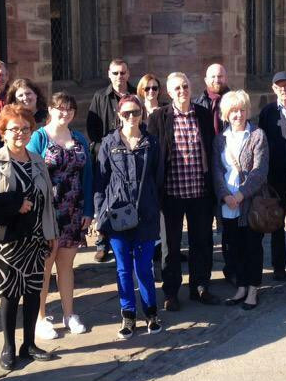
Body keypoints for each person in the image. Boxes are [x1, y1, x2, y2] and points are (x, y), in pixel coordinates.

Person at [0, 105, 59, 370]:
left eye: (25, 129)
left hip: (35, 237)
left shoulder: (37, 160)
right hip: (7, 240)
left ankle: (30, 344)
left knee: (34, 292)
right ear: (3, 132)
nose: (20, 133)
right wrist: (15, 205)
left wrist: (51, 233)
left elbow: (47, 202)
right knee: (10, 295)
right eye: (14, 129)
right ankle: (8, 346)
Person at [147, 72, 220, 310]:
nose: (182, 91)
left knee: (202, 242)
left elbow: (211, 148)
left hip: (200, 191)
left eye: (185, 86)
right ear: (169, 92)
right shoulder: (160, 117)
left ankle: (200, 286)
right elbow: (153, 155)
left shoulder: (202, 114)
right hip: (171, 194)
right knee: (171, 247)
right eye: (177, 88)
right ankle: (171, 292)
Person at [94, 95, 164, 338]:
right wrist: (99, 213)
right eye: (126, 113)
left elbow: (159, 176)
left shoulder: (151, 143)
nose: (131, 117)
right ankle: (128, 314)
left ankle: (151, 311)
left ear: (142, 114)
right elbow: (100, 181)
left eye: (135, 112)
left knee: (144, 267)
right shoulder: (109, 143)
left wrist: (156, 206)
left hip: (146, 214)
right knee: (123, 269)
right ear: (119, 115)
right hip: (117, 215)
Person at [26, 92, 93, 339]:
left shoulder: (79, 139)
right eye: (60, 108)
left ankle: (69, 314)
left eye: (69, 109)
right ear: (51, 110)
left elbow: (88, 176)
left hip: (73, 211)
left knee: (66, 265)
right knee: (44, 266)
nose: (64, 113)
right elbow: (29, 173)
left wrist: (88, 210)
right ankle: (40, 318)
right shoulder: (38, 138)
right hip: (46, 212)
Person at [213, 90, 268, 310]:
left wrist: (240, 194)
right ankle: (241, 286)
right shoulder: (220, 139)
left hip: (249, 203)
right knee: (233, 247)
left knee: (252, 247)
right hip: (228, 204)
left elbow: (259, 171)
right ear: (226, 113)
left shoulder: (257, 135)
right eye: (234, 111)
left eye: (242, 110)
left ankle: (253, 289)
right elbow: (217, 170)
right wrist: (225, 195)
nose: (238, 115)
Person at [257, 71, 286, 281]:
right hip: (275, 176)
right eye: (279, 86)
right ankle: (278, 266)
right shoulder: (267, 112)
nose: (283, 90)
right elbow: (262, 145)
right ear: (274, 89)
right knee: (276, 222)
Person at [88, 59, 133, 263]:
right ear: (109, 74)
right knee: (105, 196)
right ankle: (102, 242)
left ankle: (126, 235)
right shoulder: (100, 97)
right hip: (106, 155)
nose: (119, 77)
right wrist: (101, 149)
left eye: (122, 73)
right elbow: (92, 128)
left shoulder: (135, 94)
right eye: (115, 73)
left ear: (128, 74)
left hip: (129, 155)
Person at [195, 63, 230, 136]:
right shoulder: (196, 105)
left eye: (220, 76)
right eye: (213, 77)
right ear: (206, 80)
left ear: (226, 78)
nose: (217, 80)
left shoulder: (236, 103)